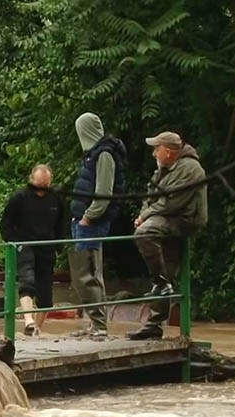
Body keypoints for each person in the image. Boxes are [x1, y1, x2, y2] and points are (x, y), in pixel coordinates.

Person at [128, 131, 208, 340]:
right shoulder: (163, 169)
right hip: (167, 217)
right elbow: (150, 195)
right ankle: (154, 323)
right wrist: (144, 212)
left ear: (169, 152)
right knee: (166, 268)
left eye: (157, 149)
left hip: (184, 219)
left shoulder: (190, 168)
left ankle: (161, 284)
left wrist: (145, 216)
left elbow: (174, 201)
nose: (154, 153)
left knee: (144, 233)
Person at [69, 112, 126, 338]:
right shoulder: (93, 154)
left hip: (91, 222)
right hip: (82, 221)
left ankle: (100, 326)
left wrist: (88, 216)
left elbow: (104, 193)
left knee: (89, 272)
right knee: (83, 273)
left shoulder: (104, 155)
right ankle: (94, 323)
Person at [0, 164, 65, 336]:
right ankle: (28, 319)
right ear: (31, 180)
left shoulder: (56, 198)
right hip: (24, 244)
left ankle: (35, 329)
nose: (42, 189)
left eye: (45, 185)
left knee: (45, 295)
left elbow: (62, 223)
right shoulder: (19, 198)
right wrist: (13, 242)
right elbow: (6, 224)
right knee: (27, 282)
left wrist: (60, 245)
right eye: (39, 185)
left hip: (47, 247)